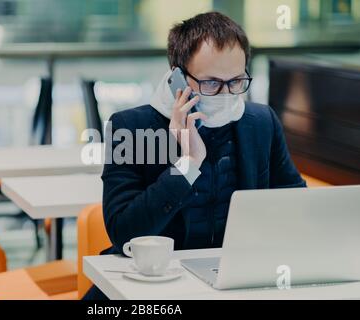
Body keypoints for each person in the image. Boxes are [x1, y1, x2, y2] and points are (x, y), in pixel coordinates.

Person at [83, 11, 306, 300]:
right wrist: (188, 164)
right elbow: (125, 233)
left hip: (232, 282)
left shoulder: (261, 122)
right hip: (148, 286)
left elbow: (295, 203)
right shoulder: (132, 128)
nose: (226, 94)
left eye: (236, 82)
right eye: (211, 83)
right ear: (177, 77)